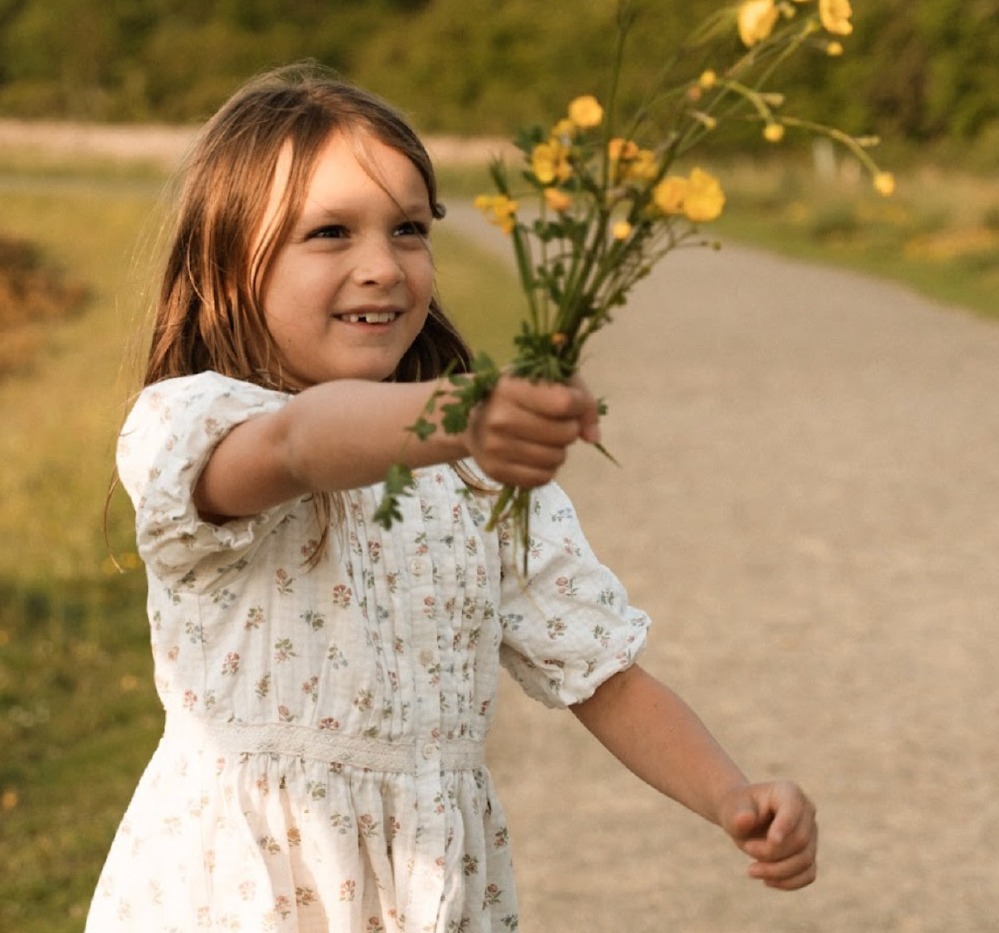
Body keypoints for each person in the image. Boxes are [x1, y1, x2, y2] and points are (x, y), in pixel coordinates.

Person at [87, 64, 817, 932]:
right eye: (328, 232)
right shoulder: (195, 423)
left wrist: (731, 792)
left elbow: (601, 673)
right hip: (243, 892)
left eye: (407, 229)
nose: (381, 268)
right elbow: (300, 443)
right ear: (224, 262)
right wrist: (463, 413)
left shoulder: (471, 478)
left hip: (428, 882)